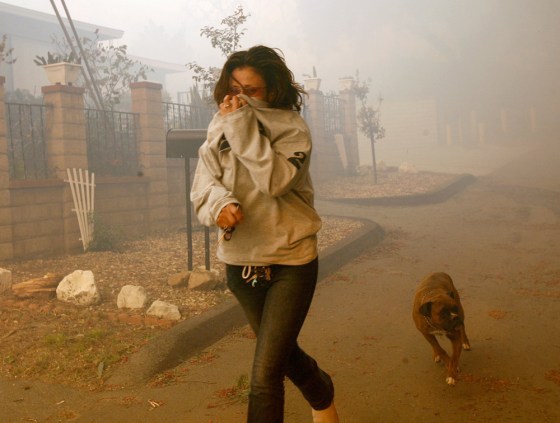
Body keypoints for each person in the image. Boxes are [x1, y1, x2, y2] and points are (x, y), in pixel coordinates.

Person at [191, 45, 339, 423]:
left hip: (291, 261)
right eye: (234, 87)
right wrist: (220, 205)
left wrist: (239, 125)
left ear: (272, 90)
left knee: (264, 375)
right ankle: (322, 392)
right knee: (283, 355)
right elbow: (204, 184)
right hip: (240, 265)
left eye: (251, 90)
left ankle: (320, 394)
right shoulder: (219, 123)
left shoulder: (293, 129)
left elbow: (275, 180)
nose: (239, 98)